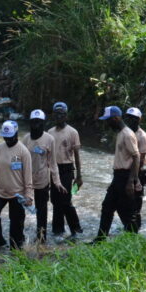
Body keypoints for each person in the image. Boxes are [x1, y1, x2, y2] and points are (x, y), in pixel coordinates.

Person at [94, 107, 141, 242]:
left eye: (108, 120)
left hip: (125, 176)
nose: (106, 123)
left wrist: (131, 181)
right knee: (107, 207)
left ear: (115, 118)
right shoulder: (121, 133)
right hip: (118, 176)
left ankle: (134, 241)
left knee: (125, 211)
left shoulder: (127, 134)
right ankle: (100, 239)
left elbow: (136, 157)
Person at [0, 120, 34, 249]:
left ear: (16, 134)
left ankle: (17, 244)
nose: (7, 140)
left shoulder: (23, 152)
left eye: (10, 137)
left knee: (16, 224)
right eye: (5, 137)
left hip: (17, 193)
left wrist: (29, 195)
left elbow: (28, 176)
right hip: (0, 190)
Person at [23, 109, 64, 244]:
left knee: (42, 209)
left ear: (43, 123)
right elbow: (18, 158)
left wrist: (57, 181)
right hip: (26, 181)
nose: (36, 125)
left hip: (42, 180)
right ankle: (19, 235)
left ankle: (41, 236)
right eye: (33, 122)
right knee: (19, 207)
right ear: (30, 123)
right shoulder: (25, 139)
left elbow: (52, 162)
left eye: (39, 122)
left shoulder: (49, 139)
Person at [48, 102, 84, 237]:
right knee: (55, 201)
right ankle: (57, 230)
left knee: (66, 200)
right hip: (53, 169)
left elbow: (77, 156)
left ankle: (76, 229)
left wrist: (79, 176)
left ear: (66, 115)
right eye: (56, 114)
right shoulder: (50, 133)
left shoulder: (72, 132)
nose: (58, 117)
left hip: (67, 169)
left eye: (61, 114)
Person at [125, 107, 146, 230]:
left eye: (134, 118)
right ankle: (128, 227)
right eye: (129, 117)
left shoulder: (142, 136)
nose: (131, 120)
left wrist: (134, 177)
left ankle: (136, 231)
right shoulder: (125, 133)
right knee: (124, 203)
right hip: (124, 172)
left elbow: (142, 159)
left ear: (139, 119)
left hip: (136, 174)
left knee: (135, 205)